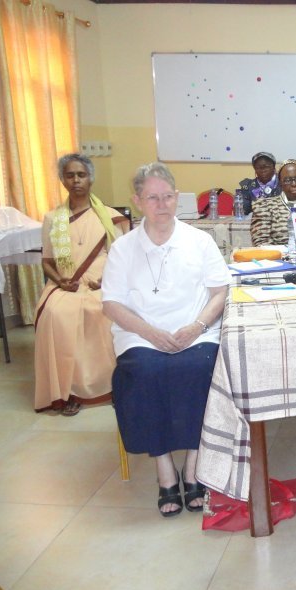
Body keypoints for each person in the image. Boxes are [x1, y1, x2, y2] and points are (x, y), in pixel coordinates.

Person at [102, 162, 231, 517]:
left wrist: (197, 326)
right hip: (141, 336)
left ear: (177, 197)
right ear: (137, 201)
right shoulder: (123, 248)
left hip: (196, 333)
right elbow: (111, 304)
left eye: (168, 197)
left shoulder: (199, 240)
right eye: (152, 198)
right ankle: (164, 470)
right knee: (144, 374)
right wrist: (151, 333)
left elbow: (220, 292)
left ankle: (194, 466)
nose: (162, 205)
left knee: (201, 370)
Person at [34, 154, 127, 416]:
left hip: (103, 282)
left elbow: (123, 259)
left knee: (103, 311)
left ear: (90, 179)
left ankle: (113, 386)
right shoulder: (53, 218)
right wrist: (59, 280)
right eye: (70, 175)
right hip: (66, 284)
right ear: (62, 180)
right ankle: (70, 392)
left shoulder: (110, 217)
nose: (76, 180)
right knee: (56, 313)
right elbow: (47, 262)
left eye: (81, 175)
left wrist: (107, 280)